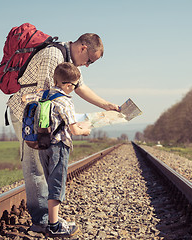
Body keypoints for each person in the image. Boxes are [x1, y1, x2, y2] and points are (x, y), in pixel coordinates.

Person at [8, 33, 119, 233]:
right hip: (29, 115)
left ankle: (50, 218)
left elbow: (80, 87)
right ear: (83, 48)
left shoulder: (69, 61)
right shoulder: (53, 55)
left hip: (45, 117)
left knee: (45, 166)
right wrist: (70, 120)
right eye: (90, 61)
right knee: (36, 167)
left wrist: (106, 105)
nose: (87, 66)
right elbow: (44, 94)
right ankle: (43, 221)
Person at [23, 62, 91, 237]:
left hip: (43, 146)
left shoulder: (46, 95)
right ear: (69, 85)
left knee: (49, 181)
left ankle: (54, 218)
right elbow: (74, 129)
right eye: (75, 86)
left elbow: (26, 99)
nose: (74, 89)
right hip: (59, 147)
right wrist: (86, 130)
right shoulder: (65, 101)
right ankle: (53, 226)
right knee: (57, 185)